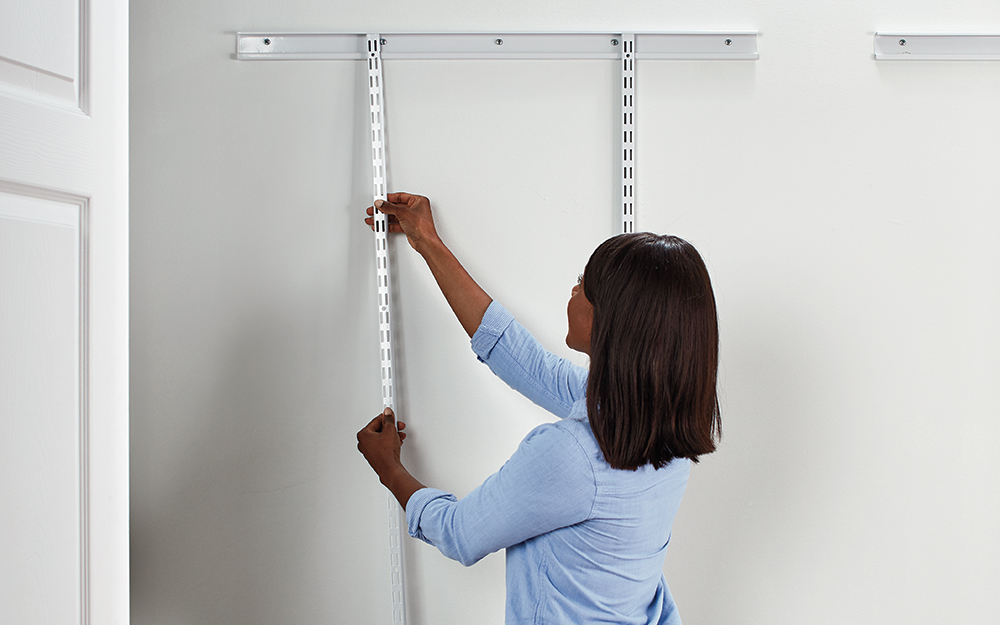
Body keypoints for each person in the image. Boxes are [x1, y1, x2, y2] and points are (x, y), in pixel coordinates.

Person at [357, 193, 721, 625]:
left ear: (613, 321)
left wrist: (389, 469)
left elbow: (460, 533)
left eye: (584, 284)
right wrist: (429, 243)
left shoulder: (573, 456)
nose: (573, 289)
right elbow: (523, 361)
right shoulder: (662, 425)